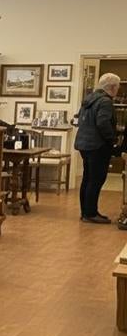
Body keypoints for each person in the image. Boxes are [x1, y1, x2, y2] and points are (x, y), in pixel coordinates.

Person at [75, 72, 120, 223]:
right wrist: (113, 140)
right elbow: (102, 123)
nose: (118, 90)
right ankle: (91, 213)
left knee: (87, 178)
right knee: (96, 179)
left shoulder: (88, 99)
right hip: (98, 146)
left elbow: (79, 120)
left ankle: (86, 212)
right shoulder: (105, 101)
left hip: (84, 144)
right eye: (117, 87)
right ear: (112, 87)